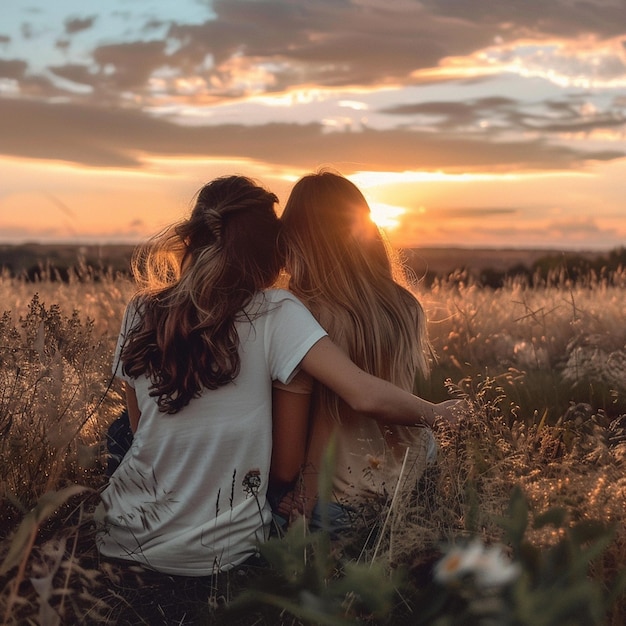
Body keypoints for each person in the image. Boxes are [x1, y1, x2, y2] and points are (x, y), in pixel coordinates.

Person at [94, 175, 457, 578]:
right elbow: (338, 418)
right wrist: (446, 414)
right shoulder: (281, 311)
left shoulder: (140, 309)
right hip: (227, 553)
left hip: (121, 539)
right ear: (271, 249)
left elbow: (141, 429)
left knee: (119, 434)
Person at [271, 169, 448, 534]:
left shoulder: (304, 312)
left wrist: (302, 490)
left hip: (332, 503)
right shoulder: (405, 306)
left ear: (299, 239)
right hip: (399, 492)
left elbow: (324, 420)